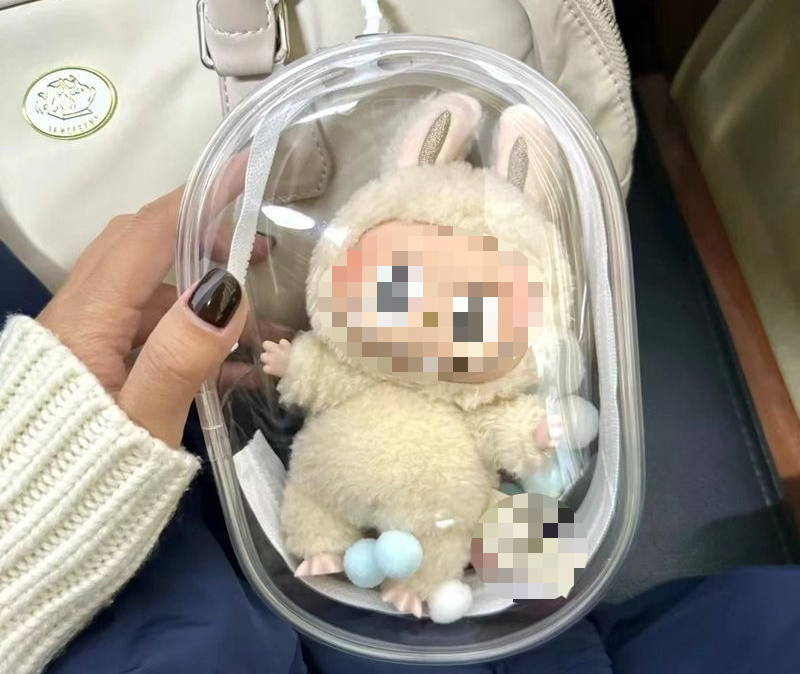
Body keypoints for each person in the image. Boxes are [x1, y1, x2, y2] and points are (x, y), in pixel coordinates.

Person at [1, 188, 799, 674]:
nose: (429, 318)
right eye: (397, 285)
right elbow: (319, 373)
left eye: (473, 308)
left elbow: (510, 441)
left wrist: (535, 443)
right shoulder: (349, 367)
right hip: (285, 567)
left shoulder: (479, 405)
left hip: (432, 568)